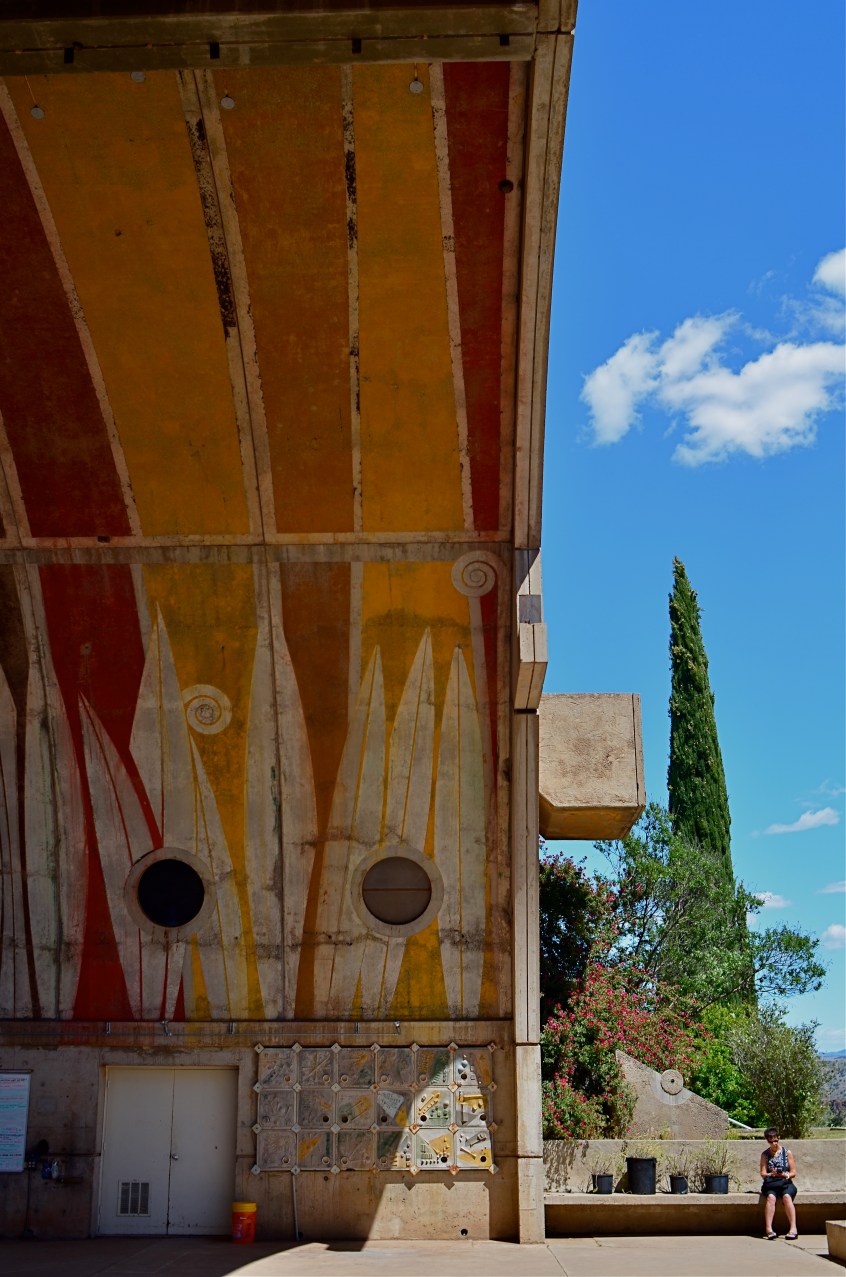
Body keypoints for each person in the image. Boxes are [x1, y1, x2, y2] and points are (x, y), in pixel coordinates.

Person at [760, 1127, 798, 1240]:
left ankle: (793, 1228)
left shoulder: (787, 1153)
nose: (774, 1143)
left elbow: (793, 1172)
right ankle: (769, 1229)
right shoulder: (765, 1154)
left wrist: (785, 1175)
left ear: (779, 1138)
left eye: (776, 1140)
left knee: (786, 1197)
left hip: (785, 1183)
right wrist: (771, 1174)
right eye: (771, 1141)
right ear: (767, 1140)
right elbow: (763, 1173)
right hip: (771, 1184)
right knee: (771, 1198)